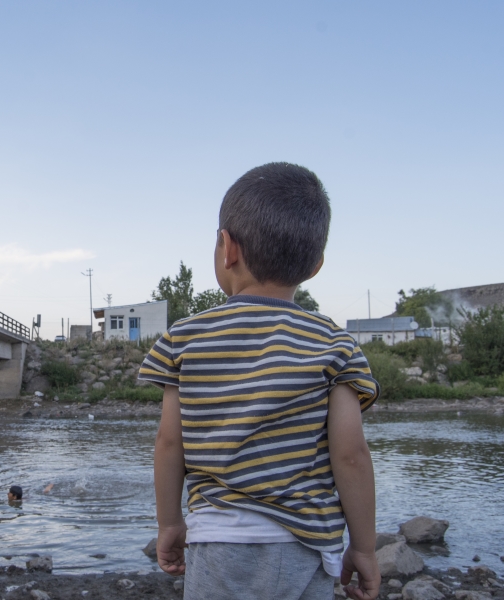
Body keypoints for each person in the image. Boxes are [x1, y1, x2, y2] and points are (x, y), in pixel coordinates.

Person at [141, 163, 381, 600]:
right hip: (307, 546)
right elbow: (350, 455)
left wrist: (170, 523)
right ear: (315, 265)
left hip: (218, 541)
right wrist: (364, 547)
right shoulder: (335, 345)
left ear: (226, 247)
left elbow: (169, 443)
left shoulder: (184, 339)